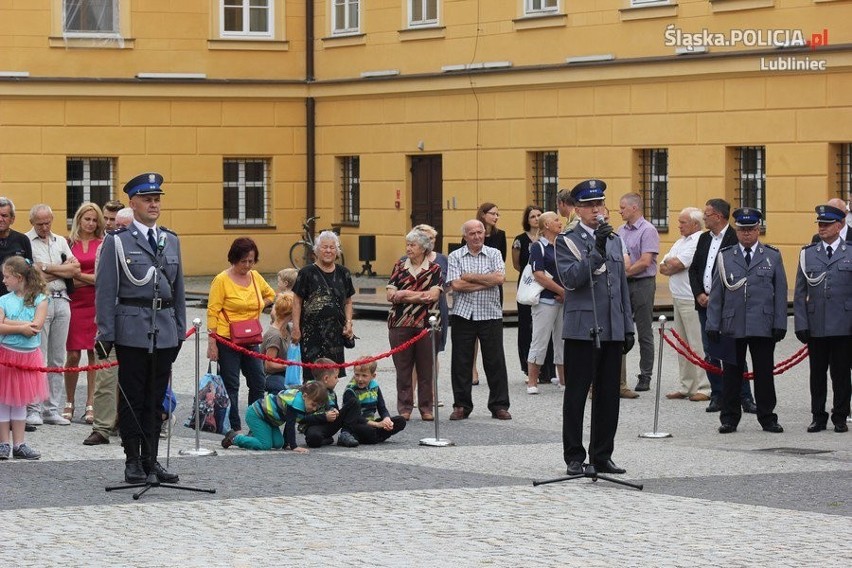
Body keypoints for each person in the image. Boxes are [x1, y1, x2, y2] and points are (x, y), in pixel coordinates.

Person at [95, 172, 186, 484]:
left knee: (156, 399)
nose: (154, 204)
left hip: (164, 330)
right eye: (147, 199)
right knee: (133, 397)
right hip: (132, 329)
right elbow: (106, 291)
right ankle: (132, 460)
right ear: (132, 203)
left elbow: (179, 290)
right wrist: (106, 333)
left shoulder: (170, 240)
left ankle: (152, 460)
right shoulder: (117, 242)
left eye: (157, 199)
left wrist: (179, 329)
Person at [555, 179, 634, 476]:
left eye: (599, 204)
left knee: (608, 394)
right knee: (576, 394)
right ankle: (574, 456)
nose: (596, 210)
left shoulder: (613, 238)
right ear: (577, 209)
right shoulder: (567, 240)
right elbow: (571, 279)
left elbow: (621, 284)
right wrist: (596, 249)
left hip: (611, 326)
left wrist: (627, 325)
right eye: (589, 205)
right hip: (582, 327)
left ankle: (602, 454)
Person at [706, 207, 787, 434]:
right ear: (737, 230)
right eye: (742, 229)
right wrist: (712, 324)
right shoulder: (726, 256)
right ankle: (730, 418)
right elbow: (717, 293)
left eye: (751, 229)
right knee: (732, 374)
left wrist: (780, 323)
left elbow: (780, 293)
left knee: (764, 373)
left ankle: (767, 417)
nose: (747, 234)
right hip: (732, 324)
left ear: (759, 229)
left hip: (762, 324)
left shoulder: (772, 256)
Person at [688, 198, 757, 414]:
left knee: (734, 352)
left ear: (717, 216)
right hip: (705, 304)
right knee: (711, 351)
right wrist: (699, 293)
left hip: (728, 306)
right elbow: (694, 269)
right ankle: (717, 394)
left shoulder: (733, 237)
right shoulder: (703, 239)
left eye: (706, 214)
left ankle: (744, 396)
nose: (703, 217)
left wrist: (719, 298)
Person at [207, 237, 276, 432]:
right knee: (231, 384)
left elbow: (270, 294)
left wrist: (259, 306)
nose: (247, 265)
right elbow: (213, 311)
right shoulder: (221, 279)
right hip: (227, 338)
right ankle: (234, 427)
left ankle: (256, 422)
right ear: (234, 259)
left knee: (258, 380)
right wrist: (212, 342)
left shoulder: (255, 276)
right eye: (243, 261)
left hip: (251, 337)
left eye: (251, 261)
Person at [447, 219, 512, 421]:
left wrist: (470, 277)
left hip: (490, 313)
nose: (476, 236)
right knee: (461, 361)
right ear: (465, 236)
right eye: (472, 233)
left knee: (495, 361)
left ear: (485, 233)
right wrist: (485, 281)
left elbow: (499, 279)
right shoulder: (455, 256)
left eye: (480, 232)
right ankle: (461, 405)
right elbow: (456, 285)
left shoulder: (494, 253)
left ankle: (499, 405)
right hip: (462, 313)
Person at [794, 204, 851, 433]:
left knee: (841, 374)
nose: (822, 228)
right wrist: (801, 323)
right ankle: (818, 416)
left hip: (844, 323)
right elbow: (799, 293)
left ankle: (840, 415)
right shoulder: (808, 254)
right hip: (816, 323)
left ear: (839, 226)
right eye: (820, 224)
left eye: (827, 224)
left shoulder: (849, 252)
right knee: (817, 374)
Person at [25, 204, 81, 427]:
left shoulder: (60, 240)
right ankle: (34, 408)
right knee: (39, 355)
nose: (45, 227)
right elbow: (32, 275)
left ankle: (52, 408)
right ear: (32, 222)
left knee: (58, 357)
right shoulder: (26, 241)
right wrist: (59, 269)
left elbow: (74, 270)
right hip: (40, 300)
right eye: (40, 224)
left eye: (48, 222)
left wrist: (46, 267)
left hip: (63, 299)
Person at [83, 205, 131, 445]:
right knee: (105, 377)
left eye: (123, 225)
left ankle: (128, 425)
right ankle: (102, 427)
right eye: (113, 223)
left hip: (133, 321)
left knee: (133, 378)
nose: (116, 227)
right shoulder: (106, 245)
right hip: (109, 321)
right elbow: (101, 286)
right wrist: (102, 323)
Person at [387, 229, 443, 420]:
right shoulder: (399, 266)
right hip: (400, 323)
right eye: (408, 245)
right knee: (402, 368)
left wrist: (404, 295)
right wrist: (419, 296)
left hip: (426, 324)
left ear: (423, 248)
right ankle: (405, 407)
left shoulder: (434, 269)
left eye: (413, 245)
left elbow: (433, 296)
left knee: (426, 368)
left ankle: (426, 408)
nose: (408, 248)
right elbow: (390, 295)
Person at [659, 207, 711, 402]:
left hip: (691, 299)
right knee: (683, 345)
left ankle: (705, 387)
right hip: (678, 297)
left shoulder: (698, 240)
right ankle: (687, 385)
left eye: (683, 222)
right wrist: (670, 265)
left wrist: (670, 265)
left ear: (695, 224)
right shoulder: (680, 241)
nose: (679, 225)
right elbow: (663, 266)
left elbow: (677, 264)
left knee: (697, 344)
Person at [0, 257, 49, 460]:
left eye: (6, 276)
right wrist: (21, 326)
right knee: (3, 400)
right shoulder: (3, 300)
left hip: (27, 357)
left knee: (19, 402)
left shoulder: (40, 299)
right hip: (5, 356)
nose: (3, 280)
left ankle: (19, 443)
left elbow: (35, 328)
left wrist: (9, 323)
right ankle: (3, 443)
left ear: (18, 277)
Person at [291, 231, 356, 380]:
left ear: (337, 251)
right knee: (313, 376)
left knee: (332, 376)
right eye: (324, 247)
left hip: (335, 333)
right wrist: (295, 328)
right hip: (311, 334)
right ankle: (314, 403)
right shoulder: (306, 272)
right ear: (316, 251)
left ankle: (329, 403)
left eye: (332, 247)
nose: (328, 251)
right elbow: (297, 301)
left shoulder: (343, 273)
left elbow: (348, 301)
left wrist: (349, 323)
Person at [64, 202, 105, 425]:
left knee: (93, 354)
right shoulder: (67, 243)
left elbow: (101, 278)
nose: (90, 223)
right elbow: (63, 275)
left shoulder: (103, 243)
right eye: (86, 219)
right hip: (73, 303)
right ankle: (69, 401)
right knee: (72, 354)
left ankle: (91, 403)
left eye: (94, 219)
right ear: (79, 219)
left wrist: (78, 277)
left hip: (96, 303)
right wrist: (80, 278)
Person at [616, 193, 659, 393]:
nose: (620, 211)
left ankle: (645, 375)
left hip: (642, 283)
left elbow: (645, 261)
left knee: (644, 331)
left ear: (634, 208)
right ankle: (618, 377)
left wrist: (623, 273)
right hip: (623, 284)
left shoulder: (648, 230)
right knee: (619, 329)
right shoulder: (619, 231)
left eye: (623, 207)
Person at [220, 381, 327, 453]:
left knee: (278, 443)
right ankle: (234, 438)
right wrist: (294, 446)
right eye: (313, 404)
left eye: (317, 407)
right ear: (304, 396)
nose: (314, 409)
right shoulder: (296, 403)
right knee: (265, 445)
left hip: (269, 420)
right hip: (257, 414)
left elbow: (291, 421)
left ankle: (254, 436)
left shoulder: (303, 401)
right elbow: (290, 424)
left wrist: (286, 444)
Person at [526, 211, 565, 393]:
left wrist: (566, 294)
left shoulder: (563, 244)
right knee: (540, 340)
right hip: (545, 300)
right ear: (547, 225)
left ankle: (563, 380)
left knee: (563, 341)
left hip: (564, 301)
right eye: (556, 220)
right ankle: (532, 381)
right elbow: (538, 275)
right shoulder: (538, 247)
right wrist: (561, 291)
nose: (560, 222)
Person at [337, 359, 406, 447]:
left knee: (401, 421)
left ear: (373, 376)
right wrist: (377, 424)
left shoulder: (375, 387)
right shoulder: (351, 390)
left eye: (364, 376)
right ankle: (364, 437)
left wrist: (386, 419)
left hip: (371, 423)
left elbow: (382, 408)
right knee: (369, 431)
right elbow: (356, 418)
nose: (360, 379)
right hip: (356, 424)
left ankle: (362, 437)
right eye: (357, 375)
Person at [511, 206, 544, 379]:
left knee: (544, 324)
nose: (536, 218)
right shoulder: (519, 240)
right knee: (525, 325)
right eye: (532, 216)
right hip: (527, 283)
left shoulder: (547, 237)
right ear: (527, 219)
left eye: (539, 215)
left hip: (545, 283)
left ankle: (546, 367)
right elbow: (516, 265)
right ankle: (526, 365)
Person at [261, 292, 299, 394]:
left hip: (285, 372)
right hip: (270, 375)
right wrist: (289, 365)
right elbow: (268, 365)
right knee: (288, 391)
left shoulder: (289, 329)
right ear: (291, 313)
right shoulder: (275, 335)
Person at [300, 358, 344, 447]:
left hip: (329, 424)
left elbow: (335, 408)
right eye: (335, 377)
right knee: (313, 438)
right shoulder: (310, 391)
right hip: (314, 425)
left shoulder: (332, 392)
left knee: (353, 403)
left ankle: (347, 433)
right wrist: (324, 417)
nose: (338, 380)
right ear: (326, 378)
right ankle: (323, 439)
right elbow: (302, 418)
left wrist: (335, 411)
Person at [0, 197, 33, 296]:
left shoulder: (22, 240)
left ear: (12, 219)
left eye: (4, 216)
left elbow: (30, 270)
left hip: (16, 299)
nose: (0, 219)